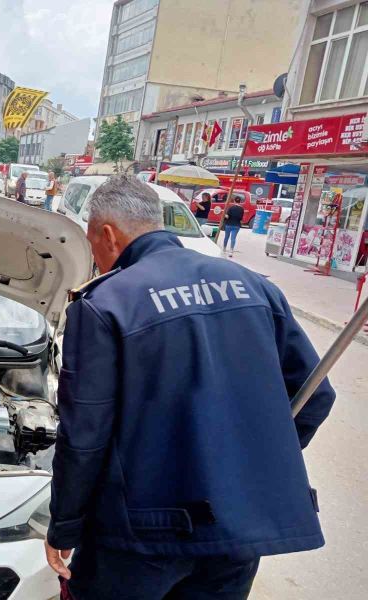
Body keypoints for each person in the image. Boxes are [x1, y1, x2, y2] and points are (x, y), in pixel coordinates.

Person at [45, 175, 335, 600]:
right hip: (235, 531)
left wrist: (65, 525)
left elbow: (85, 436)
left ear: (107, 234)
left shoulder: (106, 304)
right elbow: (316, 395)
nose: (94, 255)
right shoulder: (254, 286)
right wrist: (246, 463)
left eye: (91, 242)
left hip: (139, 537)